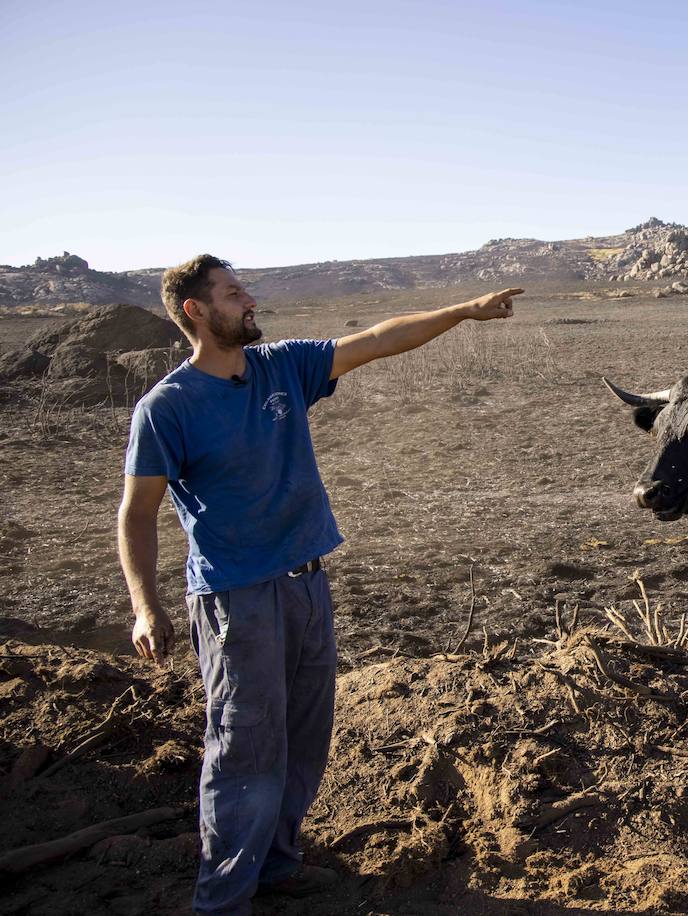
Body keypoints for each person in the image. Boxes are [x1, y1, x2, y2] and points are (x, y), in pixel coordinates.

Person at [117, 254, 520, 915]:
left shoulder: (280, 367)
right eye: (232, 292)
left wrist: (463, 312)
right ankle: (221, 900)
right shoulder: (167, 408)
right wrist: (143, 607)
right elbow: (136, 514)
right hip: (235, 599)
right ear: (197, 311)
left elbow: (379, 339)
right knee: (246, 743)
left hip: (306, 583)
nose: (249, 299)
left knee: (305, 735)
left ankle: (275, 866)